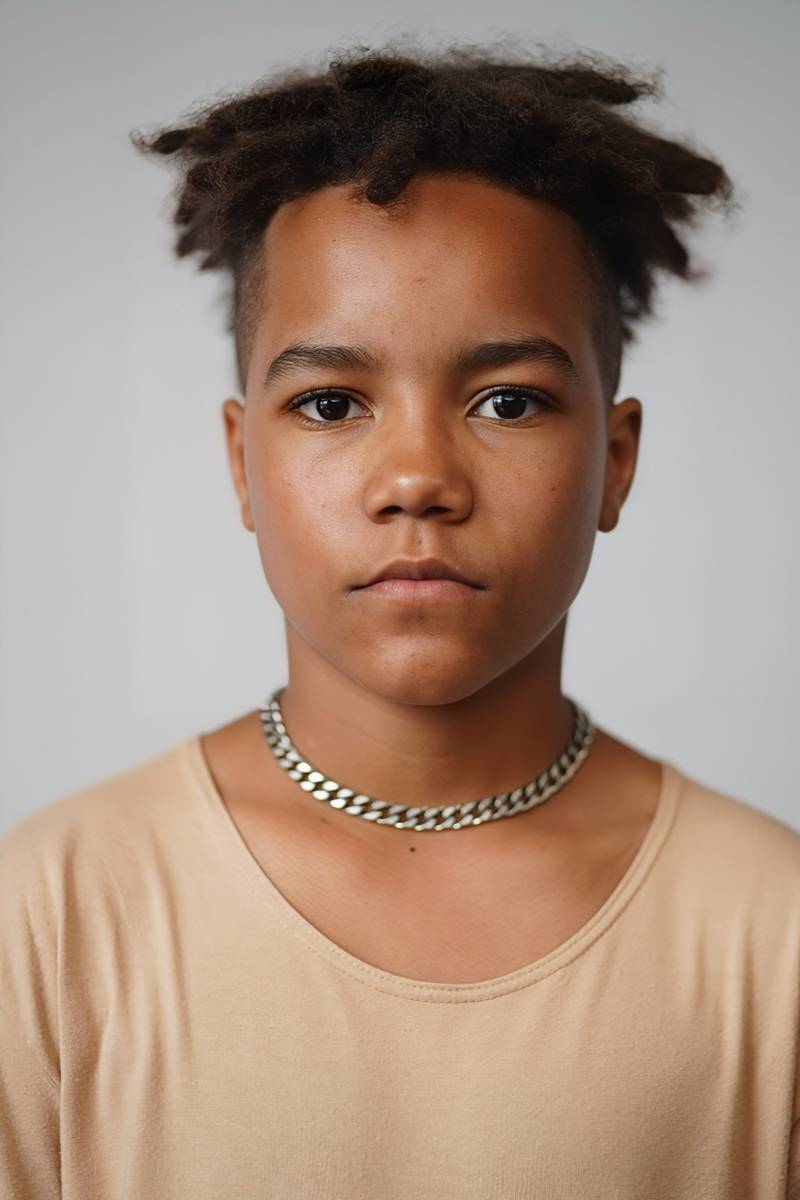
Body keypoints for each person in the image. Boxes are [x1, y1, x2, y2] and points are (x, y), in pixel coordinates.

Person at [1, 41, 798, 1200]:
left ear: (614, 461)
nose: (416, 477)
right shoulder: (49, 915)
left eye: (508, 401)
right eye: (331, 403)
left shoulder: (771, 931)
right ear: (241, 461)